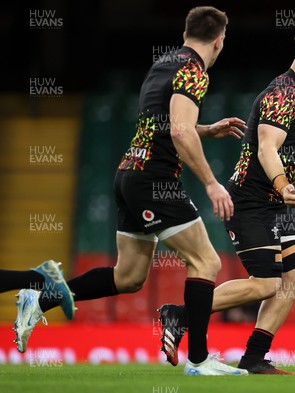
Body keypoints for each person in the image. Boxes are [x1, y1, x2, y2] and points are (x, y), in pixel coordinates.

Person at [2, 6, 249, 376]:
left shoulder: (164, 63)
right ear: (220, 41)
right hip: (155, 180)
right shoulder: (194, 71)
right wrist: (212, 184)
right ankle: (198, 360)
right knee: (207, 262)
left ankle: (39, 296)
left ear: (184, 35)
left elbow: (163, 124)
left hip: (130, 172)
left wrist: (206, 128)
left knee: (128, 277)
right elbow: (180, 131)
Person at [156, 24, 295, 374]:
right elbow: (267, 148)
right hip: (250, 198)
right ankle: (179, 314)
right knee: (266, 283)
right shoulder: (282, 93)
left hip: (275, 202)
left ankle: (254, 357)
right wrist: (285, 185)